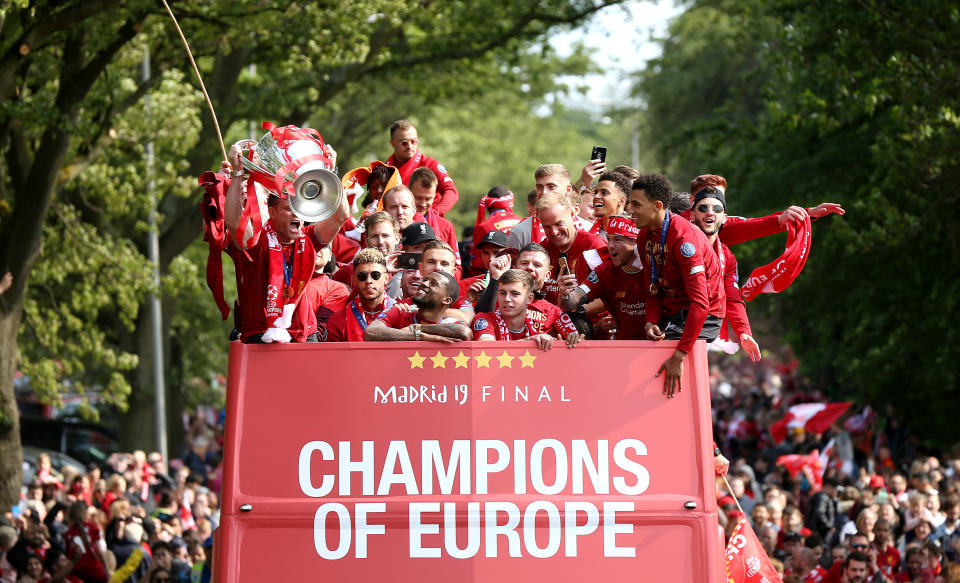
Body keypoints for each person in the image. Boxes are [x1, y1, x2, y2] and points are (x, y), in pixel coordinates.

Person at [223, 143, 349, 343]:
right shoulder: (258, 241)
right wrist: (237, 173)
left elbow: (340, 215)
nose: (297, 215)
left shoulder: (307, 237)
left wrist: (332, 172)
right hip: (261, 335)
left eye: (298, 209)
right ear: (272, 212)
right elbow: (233, 220)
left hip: (305, 335)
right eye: (289, 209)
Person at [627, 172, 724, 397]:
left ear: (657, 206)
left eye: (636, 204)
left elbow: (701, 304)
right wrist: (650, 321)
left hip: (704, 313)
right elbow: (652, 287)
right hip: (673, 311)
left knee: (658, 359)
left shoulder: (684, 240)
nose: (629, 210)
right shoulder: (644, 237)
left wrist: (680, 355)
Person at [687, 179, 761, 360]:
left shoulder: (727, 257)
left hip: (706, 334)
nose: (710, 212)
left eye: (717, 209)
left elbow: (733, 298)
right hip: (674, 331)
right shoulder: (679, 245)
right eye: (703, 208)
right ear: (691, 215)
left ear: (725, 218)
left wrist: (744, 332)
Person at [560, 215, 646, 339]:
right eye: (609, 239)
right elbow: (570, 303)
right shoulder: (604, 271)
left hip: (659, 344)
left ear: (636, 241)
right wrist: (564, 294)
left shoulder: (653, 267)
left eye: (618, 239)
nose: (610, 245)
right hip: (624, 345)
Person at [472, 269, 582, 350]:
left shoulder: (541, 328)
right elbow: (486, 349)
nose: (506, 299)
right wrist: (529, 343)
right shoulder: (484, 319)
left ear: (529, 299)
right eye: (502, 293)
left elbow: (580, 348)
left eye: (515, 294)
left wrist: (570, 343)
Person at [537, 193, 607, 305]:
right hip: (552, 320)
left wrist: (580, 311)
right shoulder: (542, 249)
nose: (554, 232)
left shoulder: (594, 246)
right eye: (547, 227)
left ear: (573, 214)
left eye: (559, 224)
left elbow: (612, 293)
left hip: (589, 321)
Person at [364, 271, 471, 342]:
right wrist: (417, 336)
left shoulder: (449, 323)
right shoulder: (400, 312)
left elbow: (464, 333)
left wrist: (416, 328)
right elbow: (370, 332)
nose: (424, 283)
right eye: (425, 280)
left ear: (446, 300)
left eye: (433, 283)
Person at [385, 120, 458, 215]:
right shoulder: (385, 169)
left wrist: (435, 213)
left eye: (413, 141)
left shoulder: (430, 164)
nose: (409, 146)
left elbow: (451, 191)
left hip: (428, 223)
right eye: (404, 143)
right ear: (392, 143)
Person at [325, 249, 394, 342]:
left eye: (375, 275)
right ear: (354, 280)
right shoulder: (338, 320)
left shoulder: (401, 313)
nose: (369, 281)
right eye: (362, 276)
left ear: (386, 278)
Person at [507, 164, 576, 250]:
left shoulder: (588, 227)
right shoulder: (521, 232)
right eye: (539, 187)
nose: (544, 192)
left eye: (551, 187)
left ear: (568, 189)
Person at [408, 168, 462, 277]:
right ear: (409, 192)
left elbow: (457, 267)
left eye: (428, 199)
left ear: (435, 196)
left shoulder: (446, 226)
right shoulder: (399, 223)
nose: (423, 204)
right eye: (418, 198)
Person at [471, 186, 521, 276]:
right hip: (520, 276)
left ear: (488, 206)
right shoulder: (522, 221)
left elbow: (477, 263)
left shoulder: (483, 226)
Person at [303, 246, 350, 340]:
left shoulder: (337, 288)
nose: (316, 247)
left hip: (306, 348)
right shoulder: (279, 279)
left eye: (323, 245)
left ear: (330, 256)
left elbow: (320, 333)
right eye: (311, 243)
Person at [587, 171, 631, 241]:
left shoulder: (636, 235)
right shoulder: (587, 234)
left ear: (621, 201)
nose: (596, 196)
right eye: (595, 192)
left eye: (604, 193)